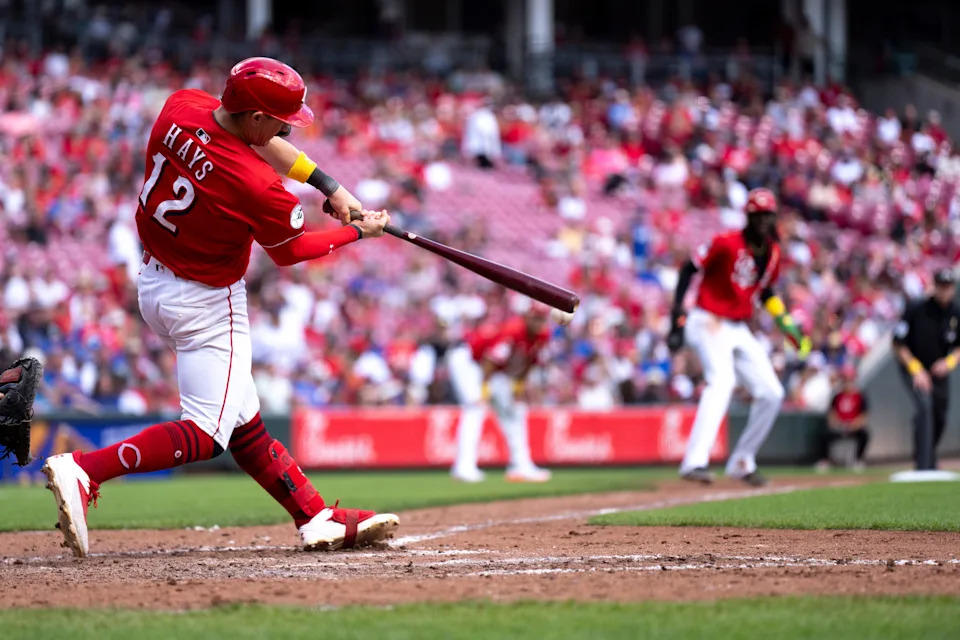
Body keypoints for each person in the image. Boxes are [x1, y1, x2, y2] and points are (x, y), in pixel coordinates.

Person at [41, 57, 399, 558]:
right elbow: (290, 251)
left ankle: (314, 516)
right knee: (209, 433)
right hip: (207, 302)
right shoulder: (258, 185)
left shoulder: (181, 105)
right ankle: (86, 470)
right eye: (280, 121)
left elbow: (252, 138)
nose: (284, 130)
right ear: (256, 118)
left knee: (244, 423)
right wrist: (359, 231)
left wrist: (330, 187)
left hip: (155, 281)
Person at [667, 188, 810, 486]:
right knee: (722, 381)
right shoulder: (726, 242)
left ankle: (742, 460)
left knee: (772, 393)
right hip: (707, 319)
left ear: (773, 218)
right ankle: (694, 461)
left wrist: (786, 324)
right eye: (756, 215)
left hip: (737, 326)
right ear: (748, 216)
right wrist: (677, 321)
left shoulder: (772, 253)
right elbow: (688, 270)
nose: (761, 221)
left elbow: (767, 292)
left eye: (766, 216)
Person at [447, 304, 552, 483]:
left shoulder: (543, 335)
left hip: (495, 372)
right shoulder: (513, 330)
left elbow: (530, 361)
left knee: (515, 411)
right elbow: (490, 359)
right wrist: (484, 389)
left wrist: (518, 388)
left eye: (542, 319)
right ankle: (463, 467)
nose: (538, 322)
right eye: (535, 318)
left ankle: (521, 466)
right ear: (526, 317)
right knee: (475, 409)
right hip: (469, 362)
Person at [892, 268, 960, 470]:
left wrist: (948, 363)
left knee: (940, 414)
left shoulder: (955, 313)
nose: (944, 291)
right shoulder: (916, 309)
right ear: (934, 287)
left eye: (948, 287)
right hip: (914, 367)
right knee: (924, 407)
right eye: (941, 286)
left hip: (938, 371)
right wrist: (916, 369)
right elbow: (898, 344)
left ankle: (929, 456)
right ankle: (923, 465)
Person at [815, 365, 870, 472]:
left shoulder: (860, 396)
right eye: (845, 380)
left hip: (853, 427)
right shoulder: (837, 396)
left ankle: (858, 460)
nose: (847, 383)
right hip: (839, 426)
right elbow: (831, 414)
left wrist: (854, 425)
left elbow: (864, 416)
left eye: (849, 380)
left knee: (864, 434)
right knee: (825, 434)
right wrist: (838, 424)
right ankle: (825, 460)